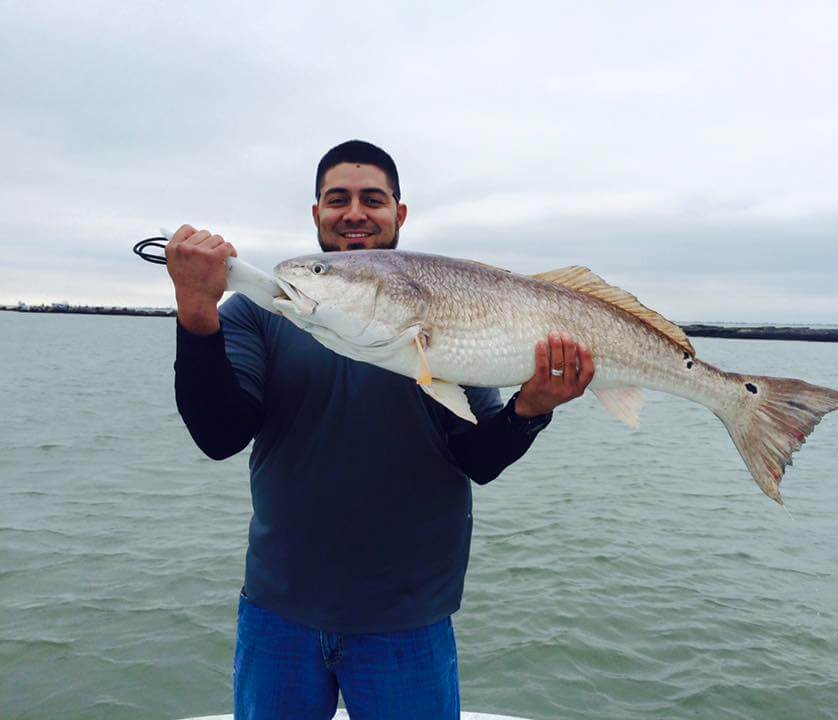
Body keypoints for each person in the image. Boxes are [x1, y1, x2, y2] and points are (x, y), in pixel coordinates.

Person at [166, 140, 595, 719]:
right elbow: (219, 436)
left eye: (373, 198)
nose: (355, 212)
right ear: (315, 214)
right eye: (336, 199)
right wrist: (197, 317)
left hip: (409, 619)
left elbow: (477, 459)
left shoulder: (449, 310)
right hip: (278, 610)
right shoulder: (259, 314)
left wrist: (530, 409)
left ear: (400, 213)